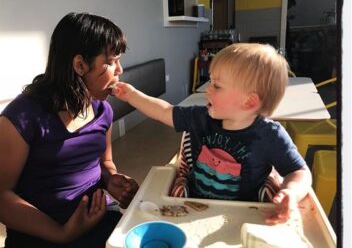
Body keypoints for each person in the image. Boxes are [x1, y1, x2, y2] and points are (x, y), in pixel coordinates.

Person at [0, 12, 139, 248]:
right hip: (40, 234)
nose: (119, 70)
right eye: (111, 61)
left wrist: (111, 180)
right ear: (80, 65)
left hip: (98, 219)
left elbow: (104, 163)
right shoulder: (22, 117)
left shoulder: (103, 110)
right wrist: (61, 233)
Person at [112, 43, 312, 224]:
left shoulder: (270, 135)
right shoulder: (201, 117)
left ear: (249, 101)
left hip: (245, 215)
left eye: (217, 85)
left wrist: (291, 192)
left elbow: (299, 171)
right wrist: (131, 95)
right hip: (193, 207)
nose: (207, 89)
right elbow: (164, 111)